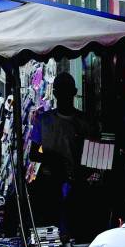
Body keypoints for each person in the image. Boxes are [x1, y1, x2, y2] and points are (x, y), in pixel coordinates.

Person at [28, 72, 92, 233]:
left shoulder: (84, 122)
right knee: (51, 229)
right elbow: (33, 154)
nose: (63, 96)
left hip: (77, 183)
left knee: (75, 228)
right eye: (60, 91)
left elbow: (92, 157)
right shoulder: (43, 120)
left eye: (66, 91)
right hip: (50, 183)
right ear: (55, 93)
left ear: (74, 92)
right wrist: (53, 159)